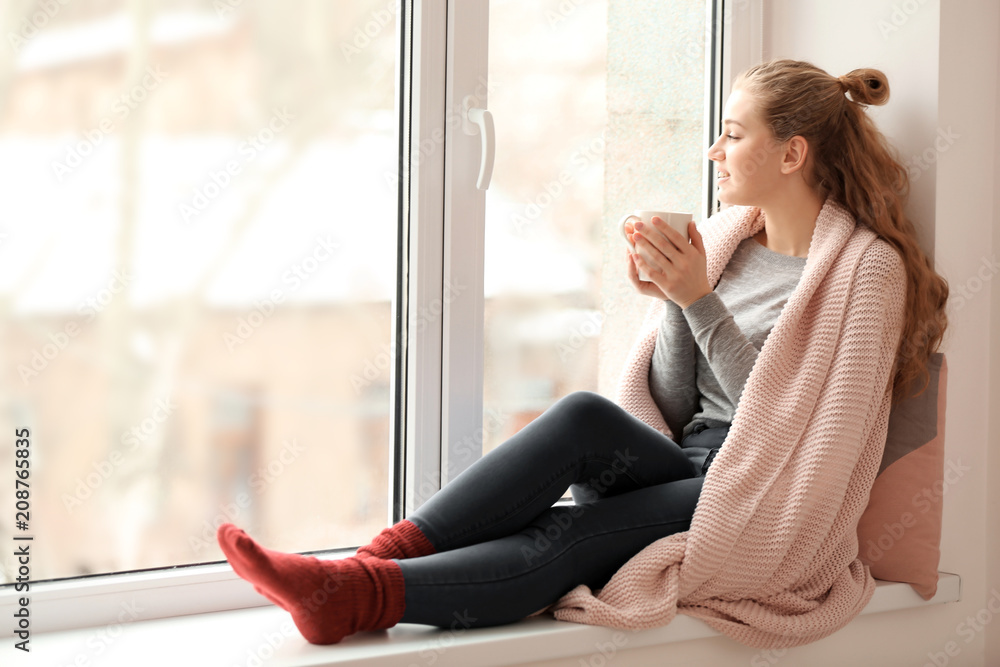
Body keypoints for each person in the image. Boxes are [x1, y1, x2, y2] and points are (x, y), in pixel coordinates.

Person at [216, 59, 949, 645]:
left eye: (732, 134)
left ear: (792, 153)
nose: (714, 150)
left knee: (571, 532)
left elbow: (786, 427)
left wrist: (697, 298)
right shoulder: (731, 239)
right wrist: (672, 295)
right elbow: (674, 405)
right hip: (695, 460)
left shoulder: (864, 269)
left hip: (766, 496)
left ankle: (351, 599)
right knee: (581, 417)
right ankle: (372, 560)